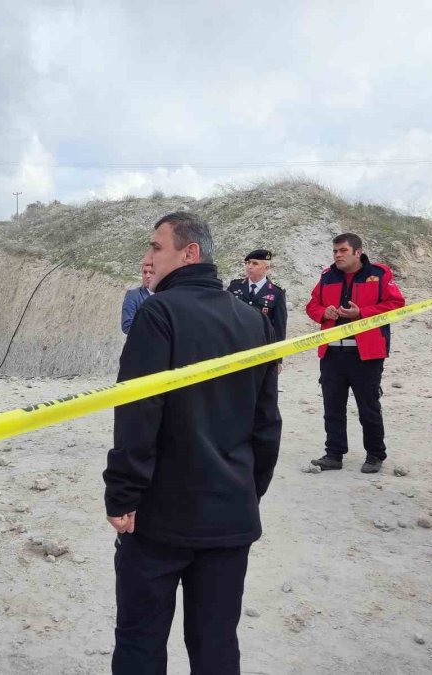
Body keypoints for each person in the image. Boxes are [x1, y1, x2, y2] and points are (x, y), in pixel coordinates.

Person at [103, 212, 282, 674]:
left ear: (190, 253)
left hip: (161, 518)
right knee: (217, 646)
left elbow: (137, 415)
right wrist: (247, 491)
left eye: (155, 247)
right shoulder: (252, 321)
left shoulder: (157, 313)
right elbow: (266, 425)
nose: (147, 258)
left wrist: (123, 494)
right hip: (229, 514)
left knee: (141, 643)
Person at [306, 233, 405, 473]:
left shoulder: (379, 274)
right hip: (332, 353)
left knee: (368, 406)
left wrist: (362, 313)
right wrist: (323, 313)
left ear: (357, 252)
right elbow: (311, 305)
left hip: (366, 355)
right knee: (332, 405)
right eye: (335, 251)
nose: (337, 255)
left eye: (342, 251)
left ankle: (375, 455)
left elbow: (396, 305)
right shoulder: (327, 276)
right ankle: (334, 454)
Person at [226, 249, 287, 343]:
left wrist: (276, 356)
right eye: (248, 262)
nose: (249, 267)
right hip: (235, 344)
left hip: (260, 346)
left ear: (266, 268)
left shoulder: (276, 293)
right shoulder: (234, 286)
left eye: (255, 263)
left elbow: (279, 330)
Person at [120, 263, 154, 334]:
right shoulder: (133, 295)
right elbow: (127, 326)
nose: (147, 276)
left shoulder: (165, 294)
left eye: (151, 272)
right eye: (145, 272)